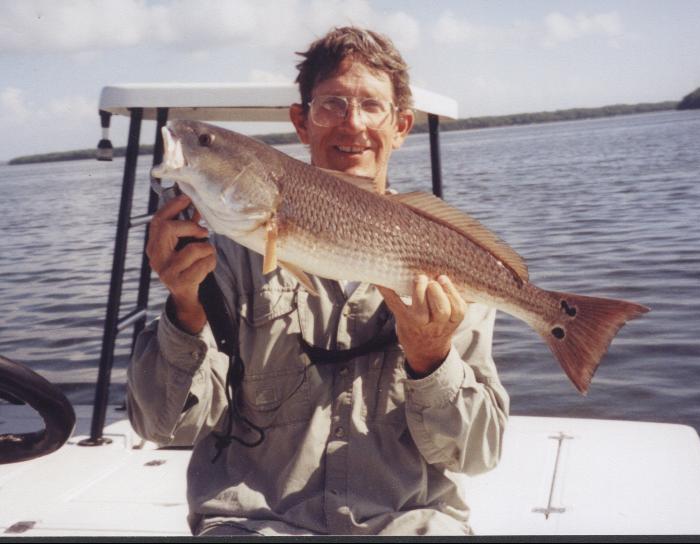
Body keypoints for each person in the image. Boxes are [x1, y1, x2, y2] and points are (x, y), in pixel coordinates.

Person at [127, 26, 509, 536]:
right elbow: (164, 427)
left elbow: (478, 454)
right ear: (301, 123)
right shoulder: (218, 254)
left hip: (406, 523)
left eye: (372, 106)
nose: (352, 125)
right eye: (331, 105)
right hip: (255, 527)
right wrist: (183, 309)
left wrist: (431, 358)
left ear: (401, 126)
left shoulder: (442, 259)